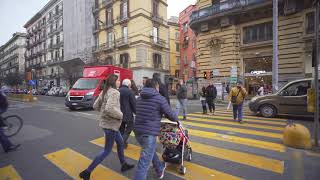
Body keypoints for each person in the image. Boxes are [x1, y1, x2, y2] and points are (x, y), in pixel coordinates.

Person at [79, 75, 134, 180]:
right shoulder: (114, 92)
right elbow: (109, 109)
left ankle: (123, 164)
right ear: (114, 82)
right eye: (118, 80)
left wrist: (103, 113)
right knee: (107, 150)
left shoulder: (105, 91)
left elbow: (95, 106)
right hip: (111, 125)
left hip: (107, 124)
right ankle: (87, 172)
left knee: (121, 143)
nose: (119, 82)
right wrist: (121, 115)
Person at [133, 79, 178, 180]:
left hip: (138, 132)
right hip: (148, 133)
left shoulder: (139, 98)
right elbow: (171, 115)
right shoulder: (159, 99)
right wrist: (176, 115)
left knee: (149, 151)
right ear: (156, 87)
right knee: (143, 164)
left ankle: (159, 169)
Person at [119, 79, 136, 149]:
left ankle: (123, 143)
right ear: (129, 85)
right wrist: (136, 112)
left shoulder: (118, 90)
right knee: (129, 128)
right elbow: (134, 104)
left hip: (119, 113)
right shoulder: (130, 92)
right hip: (128, 114)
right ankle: (122, 143)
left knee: (121, 129)